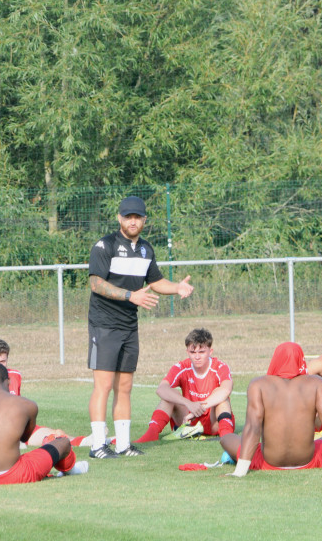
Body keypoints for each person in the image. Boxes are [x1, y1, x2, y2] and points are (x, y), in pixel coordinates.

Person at [86, 195, 194, 458]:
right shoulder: (105, 245)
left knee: (125, 387)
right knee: (103, 385)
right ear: (119, 218)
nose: (132, 221)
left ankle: (123, 445)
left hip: (128, 326)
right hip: (104, 325)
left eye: (137, 217)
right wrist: (129, 296)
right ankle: (98, 445)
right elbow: (95, 283)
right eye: (128, 217)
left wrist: (177, 287)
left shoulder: (146, 249)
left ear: (145, 220)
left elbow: (155, 282)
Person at [220, 342, 322, 474]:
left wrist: (240, 472)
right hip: (307, 460)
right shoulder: (317, 383)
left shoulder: (259, 384)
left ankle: (239, 461)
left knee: (226, 438)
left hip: (269, 461)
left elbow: (252, 428)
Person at [0, 363, 88, 485]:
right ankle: (72, 470)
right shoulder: (27, 404)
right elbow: (25, 438)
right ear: (8, 382)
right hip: (15, 475)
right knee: (63, 442)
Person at [136, 328, 235, 443]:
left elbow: (226, 389)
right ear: (187, 351)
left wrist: (200, 408)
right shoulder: (182, 367)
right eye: (193, 352)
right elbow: (161, 389)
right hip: (188, 421)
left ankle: (227, 435)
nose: (197, 357)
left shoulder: (220, 366)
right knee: (170, 395)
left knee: (222, 398)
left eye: (202, 352)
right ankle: (151, 434)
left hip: (213, 423)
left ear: (210, 351)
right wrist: (189, 404)